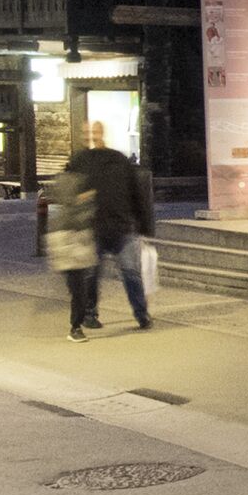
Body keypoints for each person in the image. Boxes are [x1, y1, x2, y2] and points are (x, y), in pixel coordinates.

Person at [59, 121, 155, 335]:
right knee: (92, 274)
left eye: (94, 131)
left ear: (102, 132)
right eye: (88, 132)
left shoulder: (118, 160)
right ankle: (90, 314)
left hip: (121, 226)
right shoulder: (79, 161)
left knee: (130, 273)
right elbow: (68, 193)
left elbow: (136, 193)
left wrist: (144, 225)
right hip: (95, 228)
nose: (92, 135)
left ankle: (141, 314)